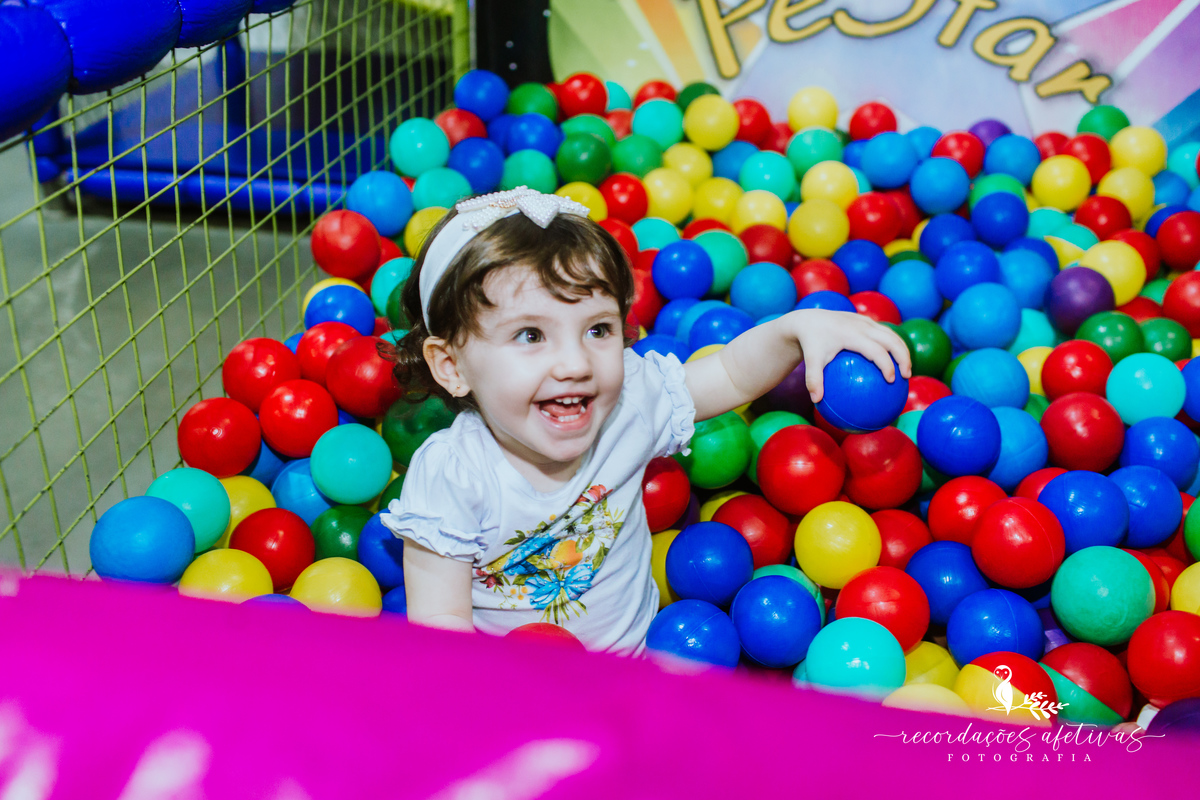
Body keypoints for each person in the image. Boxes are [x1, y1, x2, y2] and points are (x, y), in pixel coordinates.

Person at [380, 186, 910, 655]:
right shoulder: (453, 475)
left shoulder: (628, 404)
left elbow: (729, 373)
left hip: (643, 663)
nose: (575, 364)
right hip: (522, 698)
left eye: (597, 330)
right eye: (531, 335)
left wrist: (795, 329)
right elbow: (442, 630)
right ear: (452, 366)